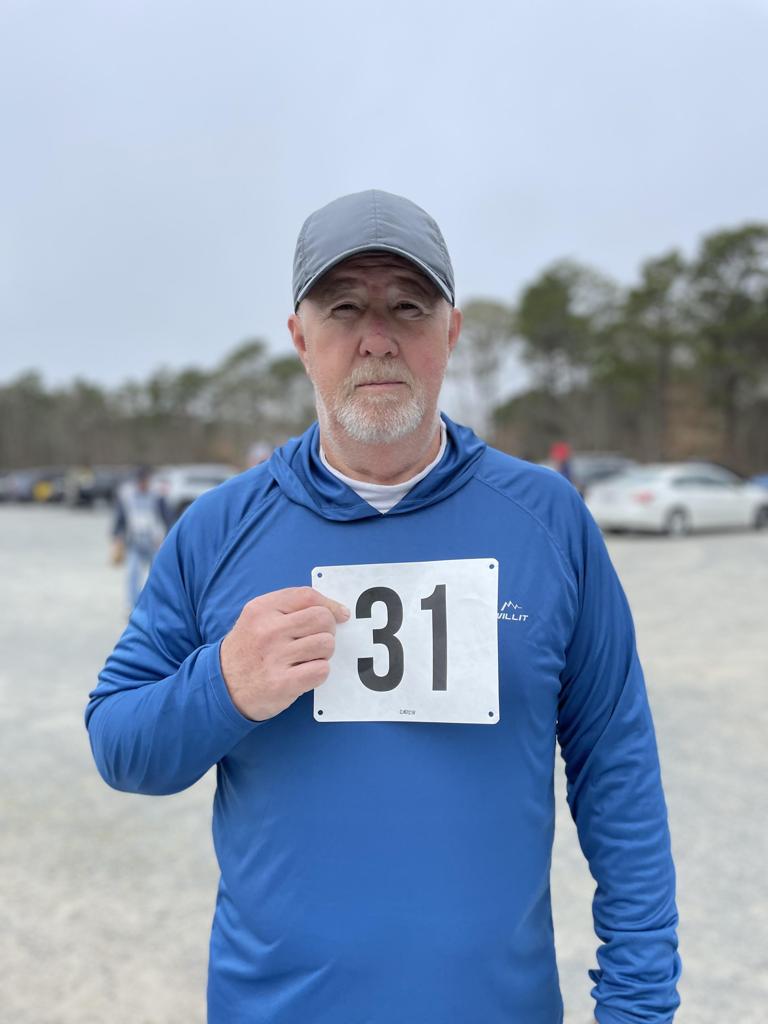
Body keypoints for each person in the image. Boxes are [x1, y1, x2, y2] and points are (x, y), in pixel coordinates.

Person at [86, 190, 681, 1023]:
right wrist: (224, 684)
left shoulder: (548, 521)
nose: (376, 338)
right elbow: (119, 744)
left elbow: (618, 770)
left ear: (451, 331)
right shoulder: (216, 529)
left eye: (408, 306)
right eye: (343, 308)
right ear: (300, 337)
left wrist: (639, 1005)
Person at [110, 465, 168, 609]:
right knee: (132, 574)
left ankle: (156, 605)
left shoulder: (157, 495)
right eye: (141, 481)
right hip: (134, 541)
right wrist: (117, 537)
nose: (144, 484)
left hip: (154, 542)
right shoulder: (127, 495)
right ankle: (133, 605)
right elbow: (120, 518)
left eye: (145, 480)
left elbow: (167, 518)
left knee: (157, 575)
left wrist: (167, 538)